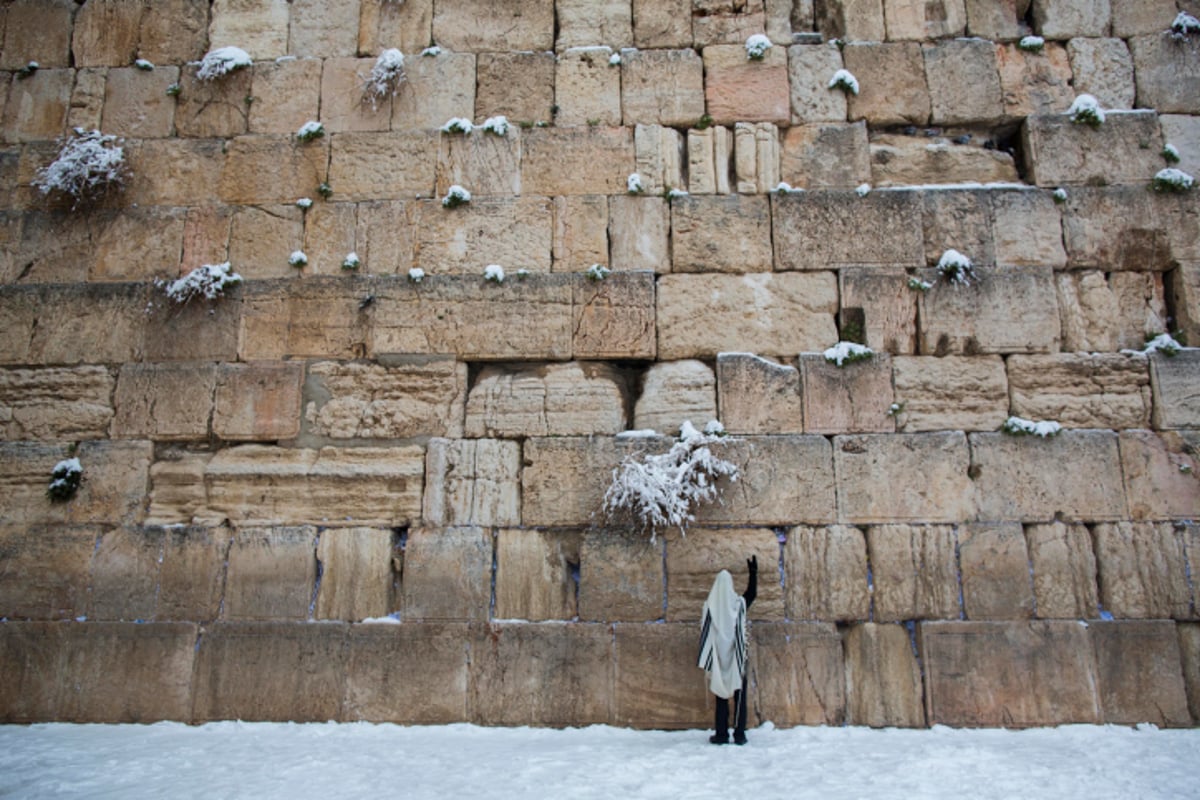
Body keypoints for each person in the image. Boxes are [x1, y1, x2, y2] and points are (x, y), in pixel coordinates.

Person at [697, 555, 757, 745]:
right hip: (736, 656)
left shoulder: (709, 608)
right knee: (740, 695)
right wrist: (753, 574)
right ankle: (739, 733)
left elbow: (705, 632)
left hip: (717, 657)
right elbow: (751, 594)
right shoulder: (738, 605)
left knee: (720, 696)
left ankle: (721, 733)